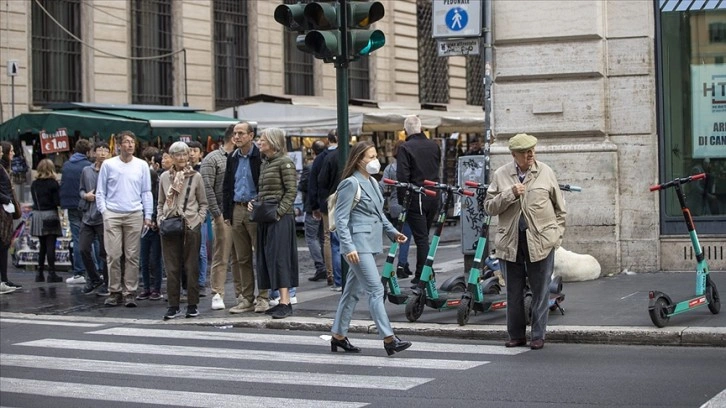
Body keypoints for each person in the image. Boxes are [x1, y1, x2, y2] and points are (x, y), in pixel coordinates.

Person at [484, 133, 566, 350]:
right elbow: (489, 207)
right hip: (511, 242)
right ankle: (516, 335)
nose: (530, 154)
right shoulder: (501, 174)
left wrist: (555, 238)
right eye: (525, 151)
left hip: (541, 241)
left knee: (541, 291)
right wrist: (509, 193)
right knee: (513, 291)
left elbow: (560, 209)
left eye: (532, 150)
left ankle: (538, 335)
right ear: (514, 155)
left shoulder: (545, 172)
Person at [330, 140, 412, 356]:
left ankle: (338, 336)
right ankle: (389, 338)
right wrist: (348, 246)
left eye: (376, 156)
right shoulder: (350, 184)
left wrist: (393, 232)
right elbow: (341, 218)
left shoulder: (374, 183)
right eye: (371, 157)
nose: (375, 160)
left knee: (352, 292)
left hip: (369, 242)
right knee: (376, 289)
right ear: (359, 161)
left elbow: (380, 214)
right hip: (357, 245)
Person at [96, 131, 153, 308]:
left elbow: (146, 191)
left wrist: (148, 215)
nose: (130, 145)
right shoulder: (108, 165)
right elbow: (100, 191)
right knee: (113, 255)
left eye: (132, 142)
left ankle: (129, 292)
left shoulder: (142, 165)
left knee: (132, 256)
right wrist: (104, 212)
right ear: (119, 145)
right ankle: (114, 291)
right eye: (126, 142)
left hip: (134, 213)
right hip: (112, 212)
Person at [250, 128, 299, 319]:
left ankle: (285, 302)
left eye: (262, 139)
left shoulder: (284, 162)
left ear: (273, 142)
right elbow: (266, 191)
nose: (259, 142)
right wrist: (255, 202)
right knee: (269, 257)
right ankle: (280, 300)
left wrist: (279, 213)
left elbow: (291, 191)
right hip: (267, 216)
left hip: (278, 218)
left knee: (280, 258)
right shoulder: (266, 163)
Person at [158, 142, 208, 320]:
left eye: (184, 154)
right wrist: (160, 218)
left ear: (188, 156)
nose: (181, 158)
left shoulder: (195, 177)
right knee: (171, 268)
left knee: (191, 266)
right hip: (170, 224)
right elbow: (160, 202)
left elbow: (203, 202)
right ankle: (173, 305)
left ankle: (192, 305)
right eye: (177, 155)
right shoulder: (164, 177)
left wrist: (198, 220)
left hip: (190, 225)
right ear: (171, 157)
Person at [222, 121, 268, 314]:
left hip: (254, 208)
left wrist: (259, 203)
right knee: (242, 258)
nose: (237, 137)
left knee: (261, 254)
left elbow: (264, 183)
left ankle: (263, 297)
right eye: (235, 133)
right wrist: (227, 213)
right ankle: (246, 298)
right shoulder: (232, 157)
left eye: (241, 133)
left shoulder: (260, 156)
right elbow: (226, 185)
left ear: (251, 136)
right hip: (237, 208)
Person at [397, 115, 441, 286]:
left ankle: (423, 274)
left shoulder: (405, 148)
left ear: (405, 130)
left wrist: (403, 201)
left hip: (417, 197)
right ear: (421, 128)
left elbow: (403, 176)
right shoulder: (434, 146)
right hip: (433, 195)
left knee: (421, 238)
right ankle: (426, 271)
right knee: (424, 235)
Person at [201, 124, 239, 310]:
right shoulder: (212, 158)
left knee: (242, 256)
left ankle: (243, 294)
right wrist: (216, 214)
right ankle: (217, 292)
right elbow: (207, 187)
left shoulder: (243, 158)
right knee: (221, 256)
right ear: (233, 137)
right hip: (222, 213)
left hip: (240, 212)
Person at [78, 142, 110, 296]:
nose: (102, 153)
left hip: (103, 216)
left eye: (105, 150)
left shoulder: (110, 170)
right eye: (99, 150)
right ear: (93, 152)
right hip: (87, 215)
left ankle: (107, 283)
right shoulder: (86, 170)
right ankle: (94, 278)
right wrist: (86, 196)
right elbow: (81, 189)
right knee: (83, 248)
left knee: (105, 252)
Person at [59, 139, 92, 285]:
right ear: (87, 151)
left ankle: (79, 272)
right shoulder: (88, 166)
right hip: (86, 205)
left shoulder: (66, 165)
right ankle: (94, 270)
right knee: (93, 239)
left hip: (71, 206)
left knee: (78, 239)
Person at [380, 140, 413, 279]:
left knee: (396, 236)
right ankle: (401, 264)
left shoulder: (390, 168)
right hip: (406, 205)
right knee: (405, 236)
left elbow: (382, 186)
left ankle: (403, 265)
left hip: (393, 205)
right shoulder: (410, 167)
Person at [308, 131, 336, 285]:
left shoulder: (320, 158)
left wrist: (315, 205)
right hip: (344, 201)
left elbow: (314, 183)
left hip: (326, 202)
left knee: (327, 237)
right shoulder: (347, 154)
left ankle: (331, 273)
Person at [317, 131, 343, 290]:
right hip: (354, 201)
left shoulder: (329, 157)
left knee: (334, 240)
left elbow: (321, 181)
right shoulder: (355, 154)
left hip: (333, 201)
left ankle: (338, 280)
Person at [30, 159, 63, 283]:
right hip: (50, 214)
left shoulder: (34, 184)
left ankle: (39, 273)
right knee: (50, 245)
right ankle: (51, 273)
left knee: (42, 245)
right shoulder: (53, 183)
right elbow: (57, 202)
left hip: (37, 214)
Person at [137, 146, 163, 301]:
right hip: (147, 225)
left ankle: (153, 288)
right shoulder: (145, 190)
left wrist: (154, 219)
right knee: (147, 259)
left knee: (152, 259)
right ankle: (149, 288)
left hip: (152, 226)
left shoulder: (156, 189)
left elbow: (158, 204)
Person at [186, 140, 209, 297]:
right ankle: (189, 282)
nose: (192, 153)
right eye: (190, 150)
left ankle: (200, 282)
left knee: (200, 250)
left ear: (201, 153)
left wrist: (203, 214)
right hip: (185, 215)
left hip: (200, 214)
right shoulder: (183, 171)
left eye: (195, 150)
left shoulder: (203, 170)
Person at [303, 140, 327, 283]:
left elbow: (305, 185)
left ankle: (320, 266)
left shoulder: (310, 166)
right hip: (324, 205)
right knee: (324, 237)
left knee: (311, 237)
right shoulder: (328, 162)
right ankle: (326, 265)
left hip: (312, 206)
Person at [0, 143, 20, 292]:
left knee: (5, 244)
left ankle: (4, 279)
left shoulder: (5, 168)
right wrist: (6, 200)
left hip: (6, 210)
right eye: (10, 150)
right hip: (3, 209)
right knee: (3, 244)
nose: (12, 153)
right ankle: (3, 280)